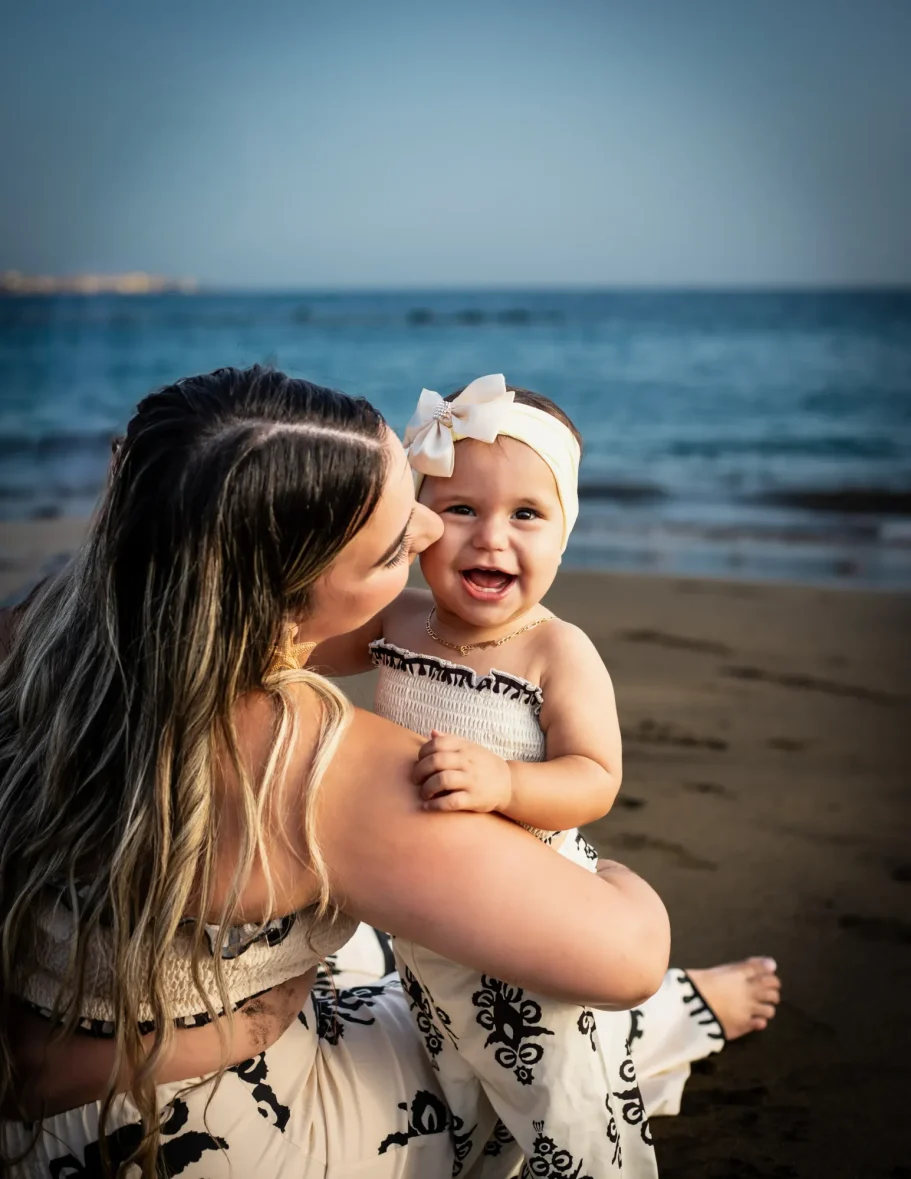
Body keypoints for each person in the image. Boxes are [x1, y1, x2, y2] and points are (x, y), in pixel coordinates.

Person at [0, 365, 679, 1179]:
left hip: (36, 1098)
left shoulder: (42, 635)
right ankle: (697, 1006)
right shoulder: (320, 764)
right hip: (176, 1134)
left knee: (377, 956)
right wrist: (610, 875)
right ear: (294, 595)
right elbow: (628, 957)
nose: (433, 535)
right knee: (522, 1030)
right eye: (402, 539)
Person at [312, 375, 782, 1174]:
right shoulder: (399, 619)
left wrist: (506, 784)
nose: (490, 539)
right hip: (429, 923)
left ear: (564, 535)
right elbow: (308, 650)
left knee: (568, 1104)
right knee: (461, 1076)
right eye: (459, 509)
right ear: (419, 523)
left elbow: (595, 777)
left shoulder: (556, 652)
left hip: (536, 926)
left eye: (526, 515)